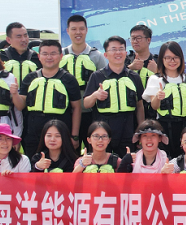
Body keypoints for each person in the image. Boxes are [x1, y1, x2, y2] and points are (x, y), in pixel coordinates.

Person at [22, 120, 78, 225]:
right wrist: (38, 168)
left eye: (57, 136)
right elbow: (30, 184)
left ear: (64, 138)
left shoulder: (72, 159)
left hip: (63, 205)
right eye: (49, 135)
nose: (52, 139)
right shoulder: (37, 158)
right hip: (41, 204)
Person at [118, 120, 174, 225]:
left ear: (160, 139)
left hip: (158, 205)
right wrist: (124, 164)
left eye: (153, 136)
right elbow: (119, 184)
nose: (149, 140)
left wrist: (167, 175)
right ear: (139, 139)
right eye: (145, 136)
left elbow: (172, 189)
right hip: (135, 204)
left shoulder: (166, 159)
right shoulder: (132, 159)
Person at [83, 36, 146, 156]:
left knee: (127, 162)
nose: (118, 52)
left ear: (125, 53)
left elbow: (140, 106)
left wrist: (140, 130)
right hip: (103, 129)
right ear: (106, 55)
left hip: (127, 128)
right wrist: (95, 95)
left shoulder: (134, 77)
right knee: (103, 163)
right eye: (113, 49)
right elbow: (86, 103)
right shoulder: (97, 76)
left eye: (121, 49)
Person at [17, 39, 82, 155]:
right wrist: (13, 94)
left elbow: (76, 107)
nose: (49, 57)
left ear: (61, 56)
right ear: (39, 56)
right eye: (45, 54)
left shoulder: (69, 79)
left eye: (53, 53)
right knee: (34, 163)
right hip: (33, 132)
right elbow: (21, 105)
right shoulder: (30, 78)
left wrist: (74, 136)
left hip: (60, 131)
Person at [145, 41, 186, 158]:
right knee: (165, 159)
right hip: (163, 128)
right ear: (162, 59)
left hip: (183, 127)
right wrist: (158, 97)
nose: (172, 61)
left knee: (182, 159)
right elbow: (154, 106)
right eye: (168, 58)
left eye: (176, 57)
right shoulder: (156, 79)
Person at [61, 15, 108, 143]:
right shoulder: (61, 55)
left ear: (86, 30)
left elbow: (104, 82)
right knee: (68, 148)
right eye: (74, 29)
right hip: (66, 112)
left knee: (92, 148)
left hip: (90, 113)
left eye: (81, 29)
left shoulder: (97, 56)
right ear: (67, 31)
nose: (78, 32)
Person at [126, 24, 158, 120]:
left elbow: (170, 83)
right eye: (132, 38)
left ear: (148, 40)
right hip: (130, 110)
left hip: (153, 110)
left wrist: (157, 71)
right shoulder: (125, 60)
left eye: (138, 38)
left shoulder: (158, 61)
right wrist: (130, 68)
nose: (135, 41)